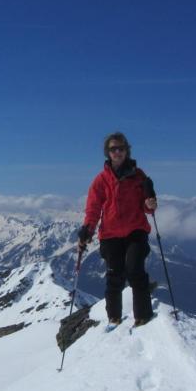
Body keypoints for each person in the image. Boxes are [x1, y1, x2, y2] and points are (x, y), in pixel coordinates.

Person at [77, 132, 158, 327]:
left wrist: (150, 204)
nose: (118, 152)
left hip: (135, 231)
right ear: (108, 153)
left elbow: (147, 207)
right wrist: (88, 229)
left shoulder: (139, 176)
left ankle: (143, 317)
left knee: (135, 270)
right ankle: (113, 318)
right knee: (114, 276)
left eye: (121, 148)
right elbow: (94, 208)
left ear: (127, 150)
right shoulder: (101, 180)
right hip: (111, 235)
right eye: (113, 149)